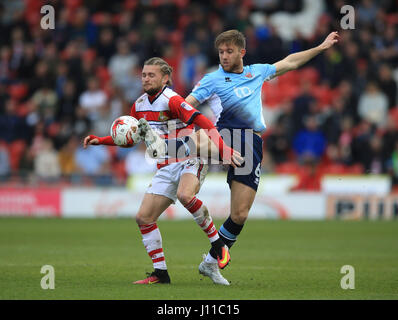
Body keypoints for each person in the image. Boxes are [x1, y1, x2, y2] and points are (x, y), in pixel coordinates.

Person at [149, 29, 338, 284]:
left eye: (229, 51)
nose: (224, 56)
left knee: (240, 214)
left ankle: (210, 263)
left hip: (251, 142)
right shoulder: (212, 79)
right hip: (224, 134)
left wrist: (321, 47)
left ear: (241, 52)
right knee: (203, 138)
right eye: (221, 52)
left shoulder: (257, 72)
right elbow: (186, 104)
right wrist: (164, 117)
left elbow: (291, 62)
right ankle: (163, 147)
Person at [83, 57, 242, 285]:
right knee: (144, 218)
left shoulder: (172, 100)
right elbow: (130, 137)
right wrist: (101, 140)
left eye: (152, 75)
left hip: (191, 157)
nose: (146, 79)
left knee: (185, 195)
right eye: (144, 75)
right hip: (166, 165)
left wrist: (224, 148)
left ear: (165, 78)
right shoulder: (138, 105)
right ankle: (161, 273)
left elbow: (203, 121)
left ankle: (218, 245)